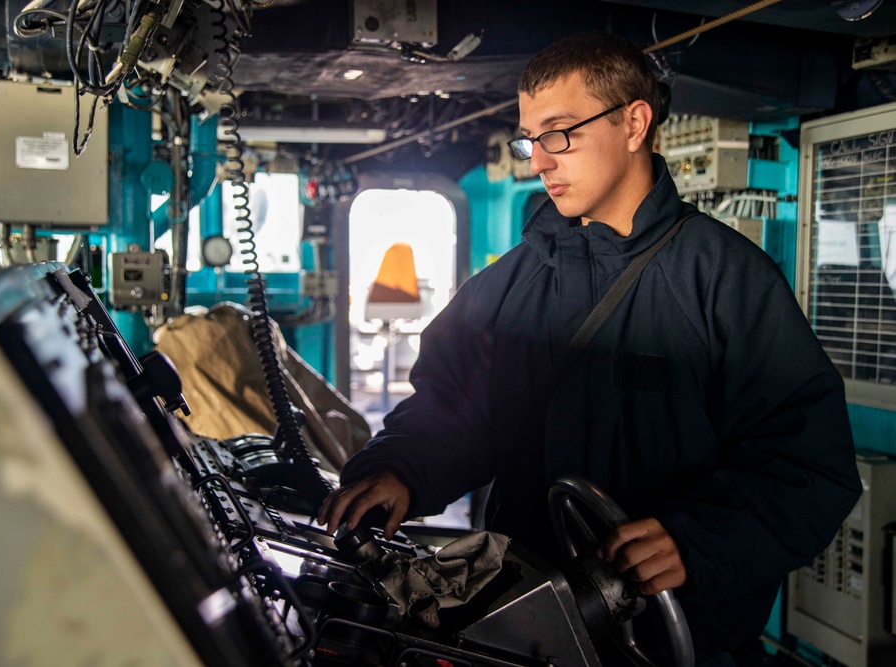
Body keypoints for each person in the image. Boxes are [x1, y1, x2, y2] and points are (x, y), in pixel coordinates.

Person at [318, 32, 862, 666]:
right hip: (522, 631)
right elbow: (454, 410)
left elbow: (808, 468)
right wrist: (402, 468)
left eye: (560, 133)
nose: (538, 161)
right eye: (530, 139)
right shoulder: (510, 283)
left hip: (672, 643)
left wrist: (697, 540)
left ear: (634, 123)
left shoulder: (726, 283)